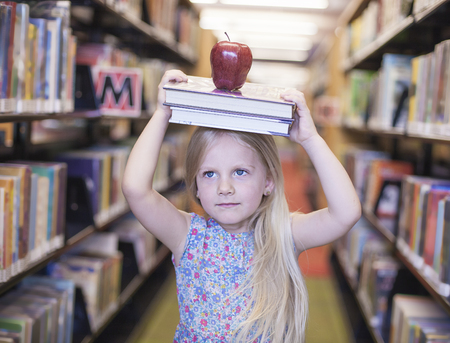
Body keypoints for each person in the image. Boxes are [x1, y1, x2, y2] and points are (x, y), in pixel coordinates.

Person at [122, 69, 361, 342]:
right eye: (209, 174)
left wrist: (310, 140)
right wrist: (162, 113)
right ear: (196, 186)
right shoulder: (187, 236)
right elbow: (135, 189)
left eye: (240, 172)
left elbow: (346, 213)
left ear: (268, 181)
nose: (225, 187)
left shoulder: (282, 235)